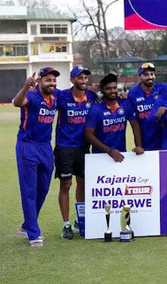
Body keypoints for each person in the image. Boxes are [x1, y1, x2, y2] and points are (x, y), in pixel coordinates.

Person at [13, 67, 59, 247]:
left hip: (46, 147)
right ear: (39, 81)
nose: (52, 83)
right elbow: (17, 102)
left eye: (54, 80)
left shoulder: (55, 98)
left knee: (43, 189)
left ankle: (26, 225)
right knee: (29, 191)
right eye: (48, 80)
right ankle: (33, 233)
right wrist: (26, 86)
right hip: (28, 145)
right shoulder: (31, 96)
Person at [54, 66, 98, 239]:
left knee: (83, 183)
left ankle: (80, 220)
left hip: (83, 147)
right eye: (80, 78)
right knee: (66, 184)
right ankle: (66, 224)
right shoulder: (62, 95)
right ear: (72, 80)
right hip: (65, 147)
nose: (84, 81)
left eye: (85, 78)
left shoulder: (92, 97)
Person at [84, 74, 144, 162]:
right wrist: (109, 151)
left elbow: (135, 125)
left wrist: (139, 146)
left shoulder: (125, 103)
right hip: (100, 157)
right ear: (102, 90)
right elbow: (88, 135)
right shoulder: (95, 108)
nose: (112, 91)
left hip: (121, 154)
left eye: (114, 88)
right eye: (108, 88)